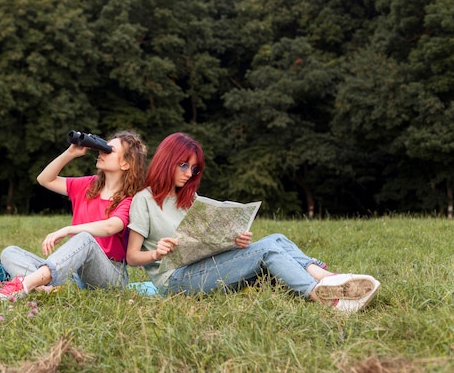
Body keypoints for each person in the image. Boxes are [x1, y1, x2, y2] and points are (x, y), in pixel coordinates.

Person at [126, 132, 380, 313]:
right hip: (174, 280)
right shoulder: (144, 200)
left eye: (194, 169)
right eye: (183, 165)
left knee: (276, 238)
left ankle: (328, 278)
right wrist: (156, 252)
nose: (188, 174)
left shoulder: (191, 199)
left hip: (202, 267)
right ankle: (322, 296)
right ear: (166, 160)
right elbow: (132, 257)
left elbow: (204, 242)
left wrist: (234, 240)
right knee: (267, 250)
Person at [0, 130, 147, 301]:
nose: (102, 152)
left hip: (110, 276)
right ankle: (44, 288)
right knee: (10, 252)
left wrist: (68, 229)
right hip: (77, 274)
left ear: (126, 164)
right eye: (102, 147)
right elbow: (45, 179)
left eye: (109, 150)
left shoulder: (130, 199)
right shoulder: (89, 185)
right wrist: (70, 153)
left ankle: (25, 285)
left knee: (85, 239)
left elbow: (111, 226)